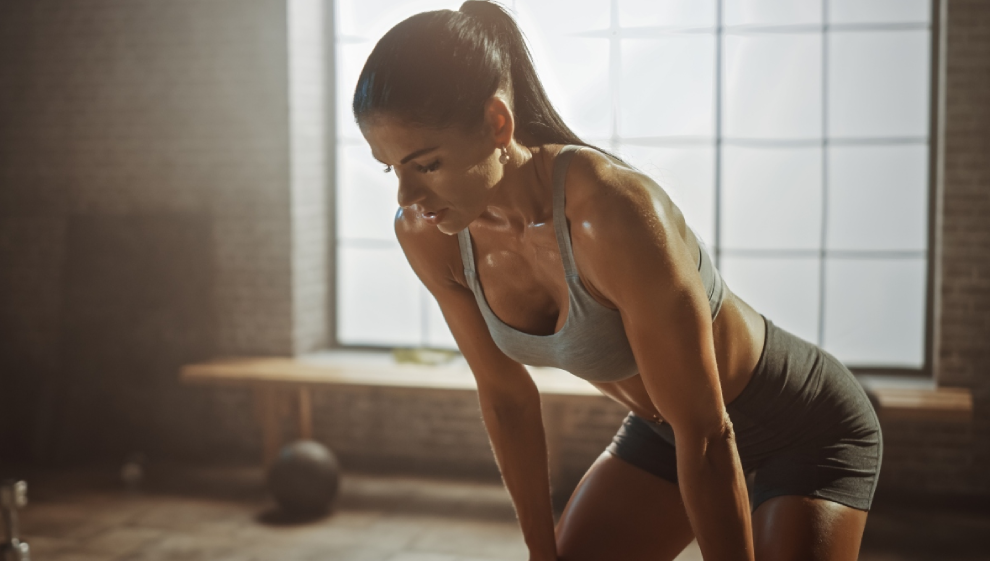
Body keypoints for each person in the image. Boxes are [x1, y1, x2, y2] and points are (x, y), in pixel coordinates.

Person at [351, 2, 882, 560]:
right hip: (665, 433)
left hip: (800, 425)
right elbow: (507, 399)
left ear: (497, 122)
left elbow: (708, 435)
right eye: (391, 168)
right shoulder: (429, 232)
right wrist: (540, 551)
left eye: (426, 165)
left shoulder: (611, 211)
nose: (407, 197)